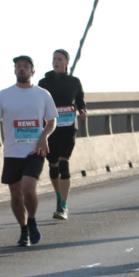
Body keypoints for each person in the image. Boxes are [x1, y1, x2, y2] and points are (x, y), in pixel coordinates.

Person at [0, 56, 58, 246]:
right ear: (14, 71)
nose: (21, 69)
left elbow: (52, 121)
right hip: (12, 153)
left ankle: (31, 219)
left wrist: (43, 137)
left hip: (35, 151)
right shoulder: (4, 95)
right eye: (18, 67)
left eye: (25, 67)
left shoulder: (43, 94)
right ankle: (24, 229)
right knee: (16, 195)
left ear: (33, 71)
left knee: (28, 189)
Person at [37, 49, 86, 220]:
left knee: (64, 163)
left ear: (66, 63)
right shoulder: (43, 82)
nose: (55, 61)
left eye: (59, 59)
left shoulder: (74, 82)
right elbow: (38, 104)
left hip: (67, 127)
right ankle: (59, 197)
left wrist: (82, 111)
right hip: (50, 129)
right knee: (53, 165)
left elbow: (80, 102)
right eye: (54, 59)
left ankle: (63, 205)